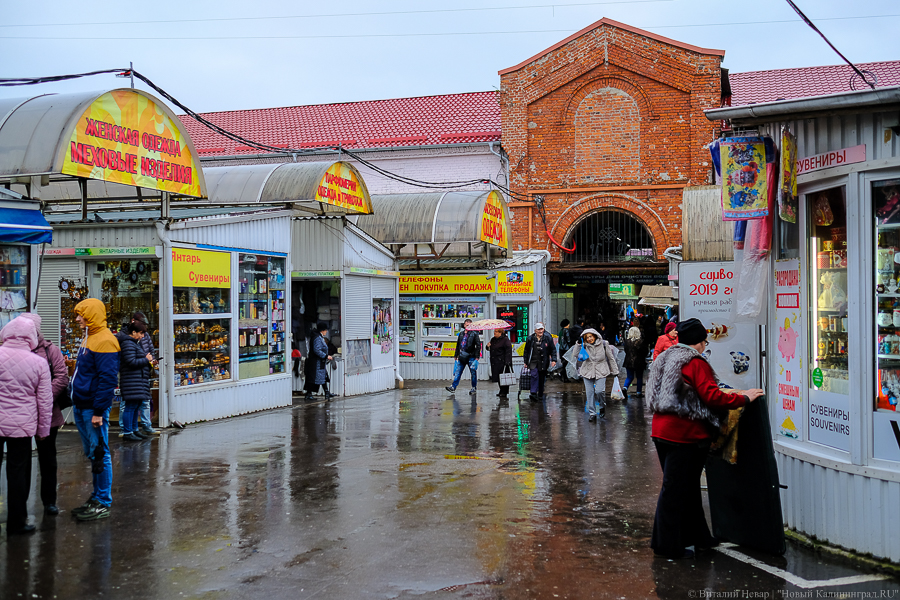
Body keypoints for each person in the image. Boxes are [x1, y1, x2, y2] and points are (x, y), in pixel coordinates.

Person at [646, 318, 764, 559]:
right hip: (686, 435)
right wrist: (744, 398)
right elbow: (713, 397)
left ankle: (700, 537)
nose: (704, 346)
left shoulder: (664, 356)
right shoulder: (695, 362)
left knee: (685, 488)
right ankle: (666, 544)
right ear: (699, 343)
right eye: (704, 342)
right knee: (675, 490)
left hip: (661, 431)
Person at [0, 316, 53, 534]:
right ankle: (17, 522)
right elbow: (45, 400)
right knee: (18, 474)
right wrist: (43, 431)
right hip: (22, 427)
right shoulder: (38, 362)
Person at [70, 298, 120, 522]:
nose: (78, 319)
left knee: (100, 454)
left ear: (91, 315)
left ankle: (102, 501)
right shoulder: (90, 338)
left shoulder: (104, 341)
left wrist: (99, 411)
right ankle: (97, 496)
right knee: (94, 453)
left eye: (82, 315)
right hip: (84, 406)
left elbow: (108, 380)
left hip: (92, 408)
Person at [21, 313, 69, 516]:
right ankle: (19, 505)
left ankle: (49, 501)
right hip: (21, 414)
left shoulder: (51, 350)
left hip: (48, 414)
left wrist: (44, 395)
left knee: (48, 459)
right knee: (21, 461)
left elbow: (62, 376)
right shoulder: (13, 349)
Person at [116, 322, 155, 441]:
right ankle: (128, 432)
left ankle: (134, 430)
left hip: (137, 381)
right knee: (130, 406)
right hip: (132, 381)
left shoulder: (133, 344)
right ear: (133, 332)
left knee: (136, 405)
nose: (142, 336)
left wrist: (148, 363)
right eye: (141, 333)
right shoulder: (128, 344)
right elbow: (131, 362)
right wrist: (146, 360)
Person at [572, 328, 619, 422]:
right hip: (587, 370)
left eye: (590, 336)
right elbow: (575, 354)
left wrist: (615, 371)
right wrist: (577, 344)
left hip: (601, 370)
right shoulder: (584, 345)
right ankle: (592, 413)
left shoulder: (604, 344)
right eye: (587, 338)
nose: (589, 339)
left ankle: (602, 406)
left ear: (595, 335)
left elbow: (611, 358)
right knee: (589, 393)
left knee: (599, 391)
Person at [131, 312, 159, 435]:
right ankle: (128, 428)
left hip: (145, 369)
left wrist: (153, 358)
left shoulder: (145, 335)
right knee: (129, 402)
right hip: (134, 372)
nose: (142, 333)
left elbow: (151, 348)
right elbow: (130, 358)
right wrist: (146, 359)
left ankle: (146, 425)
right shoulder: (129, 337)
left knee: (145, 399)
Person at [522, 323, 557, 401]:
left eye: (542, 329)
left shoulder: (548, 338)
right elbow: (526, 351)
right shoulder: (530, 338)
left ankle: (540, 394)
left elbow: (552, 349)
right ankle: (533, 393)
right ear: (535, 330)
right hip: (533, 361)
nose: (540, 331)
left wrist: (554, 360)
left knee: (541, 378)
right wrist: (526, 361)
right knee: (534, 376)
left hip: (543, 361)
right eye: (539, 329)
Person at [446, 319, 481, 395]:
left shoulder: (474, 334)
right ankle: (453, 387)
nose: (468, 326)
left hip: (471, 356)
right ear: (464, 325)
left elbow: (478, 346)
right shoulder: (461, 334)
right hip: (462, 356)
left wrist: (477, 357)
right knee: (458, 372)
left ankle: (473, 387)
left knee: (473, 373)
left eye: (470, 325)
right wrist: (456, 355)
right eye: (467, 325)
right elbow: (458, 345)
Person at [308, 322, 335, 399]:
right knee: (316, 377)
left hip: (319, 361)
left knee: (322, 376)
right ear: (322, 330)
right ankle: (309, 394)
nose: (326, 331)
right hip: (317, 362)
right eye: (325, 330)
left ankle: (326, 392)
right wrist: (326, 356)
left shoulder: (319, 337)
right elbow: (317, 350)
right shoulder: (317, 338)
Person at [623, 320, 648, 399]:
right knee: (639, 377)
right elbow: (645, 352)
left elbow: (626, 351)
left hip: (628, 362)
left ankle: (625, 388)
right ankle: (638, 392)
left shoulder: (626, 342)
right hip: (639, 362)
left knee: (629, 377)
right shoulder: (641, 342)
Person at [486, 328, 513, 398]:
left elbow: (508, 351)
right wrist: (487, 346)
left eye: (496, 332)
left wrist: (508, 361)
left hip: (503, 362)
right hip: (495, 361)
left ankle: (504, 392)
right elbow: (491, 348)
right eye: (494, 331)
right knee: (498, 377)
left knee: (504, 377)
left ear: (500, 333)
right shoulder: (493, 339)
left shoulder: (505, 340)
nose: (494, 333)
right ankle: (501, 390)